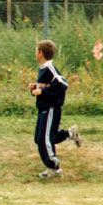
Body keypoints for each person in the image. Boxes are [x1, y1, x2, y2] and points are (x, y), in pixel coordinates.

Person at [29, 40, 80, 178]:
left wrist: (42, 92)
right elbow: (47, 86)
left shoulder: (50, 67)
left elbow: (62, 84)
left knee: (44, 140)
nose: (35, 53)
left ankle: (54, 168)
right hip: (43, 108)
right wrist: (35, 88)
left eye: (36, 50)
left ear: (40, 53)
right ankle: (70, 133)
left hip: (50, 109)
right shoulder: (43, 67)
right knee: (40, 138)